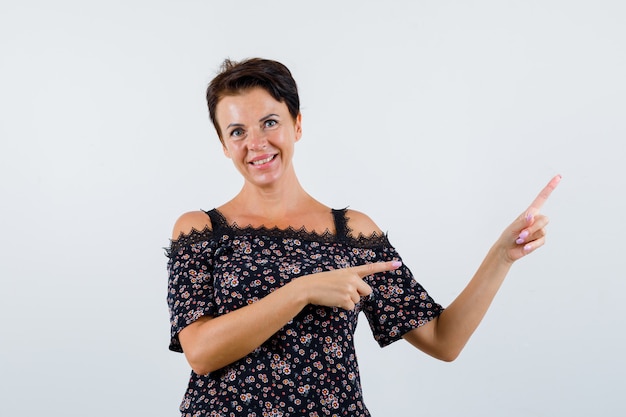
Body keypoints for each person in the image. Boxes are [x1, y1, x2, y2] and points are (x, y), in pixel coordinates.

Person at [166, 57, 561, 416]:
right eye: (237, 131)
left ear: (297, 124)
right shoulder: (199, 231)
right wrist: (301, 290)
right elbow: (200, 352)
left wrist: (502, 256)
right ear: (223, 145)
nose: (256, 143)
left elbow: (443, 339)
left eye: (270, 122)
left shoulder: (353, 233)